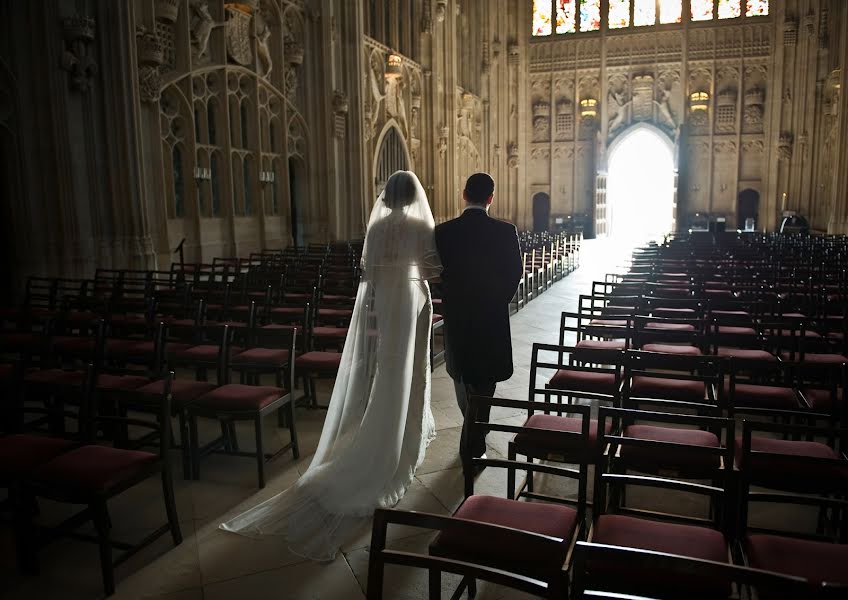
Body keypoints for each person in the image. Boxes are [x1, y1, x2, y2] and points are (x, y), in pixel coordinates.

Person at [220, 171, 440, 561]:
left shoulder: (375, 229)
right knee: (406, 373)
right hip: (409, 301)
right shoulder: (422, 224)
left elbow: (369, 277)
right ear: (414, 197)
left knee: (389, 371)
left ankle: (384, 434)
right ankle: (395, 444)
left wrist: (382, 300)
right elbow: (430, 271)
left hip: (387, 301)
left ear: (387, 197)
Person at [434, 173, 523, 470]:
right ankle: (474, 441)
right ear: (491, 198)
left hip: (458, 319)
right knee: (483, 381)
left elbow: (437, 274)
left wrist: (453, 301)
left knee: (461, 373)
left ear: (463, 194)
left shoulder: (444, 232)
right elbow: (515, 274)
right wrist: (496, 302)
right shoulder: (505, 231)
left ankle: (474, 433)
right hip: (490, 319)